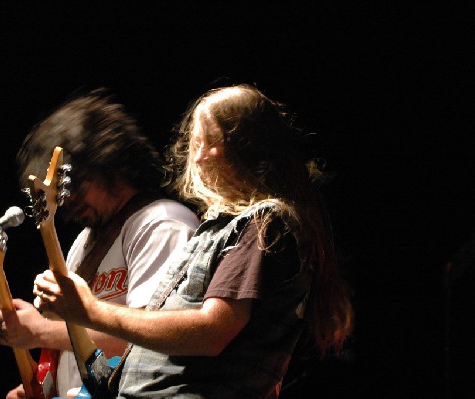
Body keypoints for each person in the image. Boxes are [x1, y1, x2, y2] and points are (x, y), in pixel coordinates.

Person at [34, 84, 354, 398]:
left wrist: (92, 311)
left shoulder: (265, 223)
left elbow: (212, 332)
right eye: (196, 143)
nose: (198, 158)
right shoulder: (216, 230)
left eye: (210, 142)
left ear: (248, 145)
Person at [0, 89, 200, 398]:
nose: (67, 199)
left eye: (74, 184)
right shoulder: (84, 242)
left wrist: (40, 331)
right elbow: (76, 344)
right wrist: (42, 385)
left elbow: (155, 339)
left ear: (107, 162)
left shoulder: (162, 223)